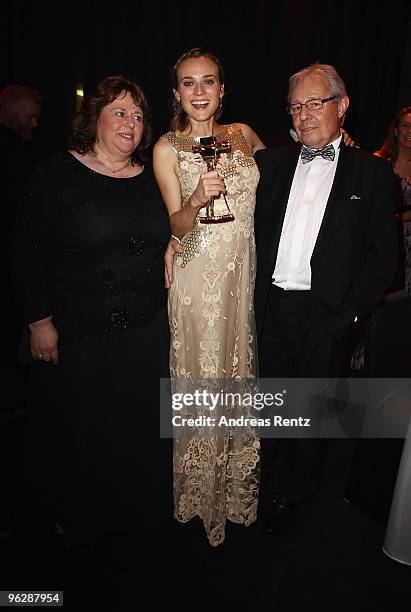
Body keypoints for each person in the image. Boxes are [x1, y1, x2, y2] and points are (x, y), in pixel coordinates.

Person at [10, 75, 171, 550]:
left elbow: (178, 228)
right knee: (78, 433)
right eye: (120, 112)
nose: (131, 123)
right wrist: (39, 322)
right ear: (94, 120)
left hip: (145, 330)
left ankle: (132, 514)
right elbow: (24, 253)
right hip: (79, 331)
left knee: (134, 430)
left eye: (139, 116)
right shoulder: (57, 175)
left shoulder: (152, 177)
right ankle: (72, 519)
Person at [253, 63, 398, 532]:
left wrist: (345, 320)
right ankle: (257, 485)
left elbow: (383, 262)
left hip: (326, 314)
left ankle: (295, 494)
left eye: (316, 102)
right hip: (271, 307)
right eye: (297, 106)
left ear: (342, 106)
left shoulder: (374, 174)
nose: (305, 114)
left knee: (308, 413)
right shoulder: (268, 164)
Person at [153, 48, 265, 546]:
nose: (199, 92)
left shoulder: (241, 135)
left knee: (235, 373)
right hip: (198, 278)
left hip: (241, 277)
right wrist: (196, 200)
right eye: (188, 83)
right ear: (177, 92)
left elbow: (288, 168)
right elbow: (176, 223)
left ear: (223, 90)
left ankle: (233, 491)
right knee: (203, 375)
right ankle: (200, 496)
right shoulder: (166, 148)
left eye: (208, 82)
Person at [0, 85, 42, 367]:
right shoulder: (12, 153)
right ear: (11, 109)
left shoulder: (24, 150)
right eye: (30, 116)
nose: (34, 124)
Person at [374, 106, 411, 294]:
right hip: (388, 240)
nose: (410, 131)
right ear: (396, 130)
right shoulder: (379, 163)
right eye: (405, 125)